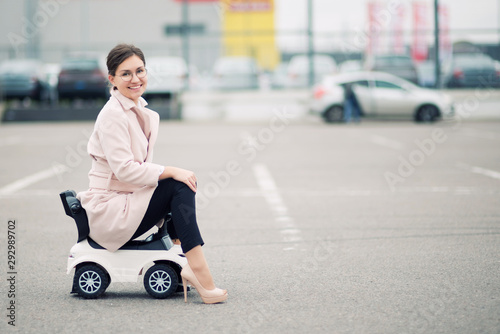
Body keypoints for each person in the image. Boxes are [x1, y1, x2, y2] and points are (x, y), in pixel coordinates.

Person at [77, 44, 227, 304]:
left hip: (125, 202)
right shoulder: (112, 115)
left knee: (179, 181)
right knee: (178, 183)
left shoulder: (136, 109)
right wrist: (171, 171)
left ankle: (184, 258)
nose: (135, 79)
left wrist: (171, 173)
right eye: (126, 74)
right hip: (109, 211)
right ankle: (198, 270)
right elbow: (124, 169)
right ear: (111, 79)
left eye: (140, 71)